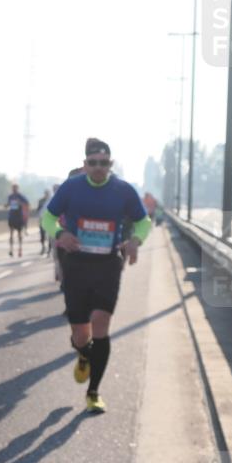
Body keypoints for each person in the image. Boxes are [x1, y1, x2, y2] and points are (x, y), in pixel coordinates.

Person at [42, 138, 151, 413]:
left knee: (101, 323)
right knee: (80, 333)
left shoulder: (123, 190)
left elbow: (143, 220)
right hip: (76, 264)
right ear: (85, 164)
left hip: (107, 265)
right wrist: (60, 234)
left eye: (104, 163)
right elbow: (47, 217)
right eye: (93, 163)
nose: (99, 168)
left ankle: (93, 392)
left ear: (110, 164)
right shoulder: (71, 187)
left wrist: (136, 240)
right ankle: (82, 354)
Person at [5, 182, 30, 257]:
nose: (14, 189)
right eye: (13, 188)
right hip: (12, 216)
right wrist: (6, 205)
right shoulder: (10, 196)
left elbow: (27, 204)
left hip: (19, 217)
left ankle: (20, 249)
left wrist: (20, 203)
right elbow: (8, 205)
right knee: (11, 234)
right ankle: (11, 249)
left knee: (19, 234)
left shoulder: (21, 196)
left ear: (17, 188)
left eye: (15, 188)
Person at [35, 188, 52, 255]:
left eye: (47, 193)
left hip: (50, 220)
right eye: (45, 193)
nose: (46, 194)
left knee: (50, 235)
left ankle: (49, 249)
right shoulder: (41, 201)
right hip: (42, 219)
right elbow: (38, 209)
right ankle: (43, 247)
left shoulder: (52, 200)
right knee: (42, 234)